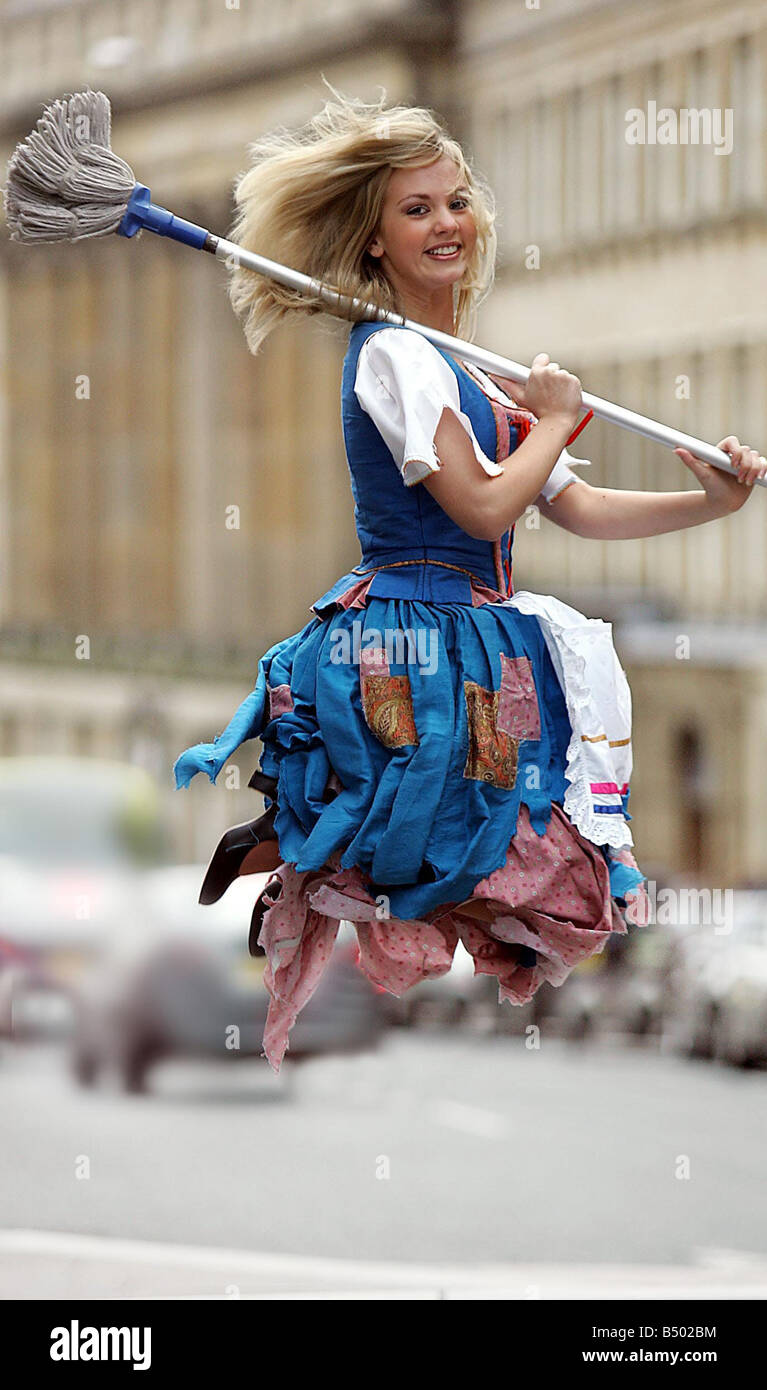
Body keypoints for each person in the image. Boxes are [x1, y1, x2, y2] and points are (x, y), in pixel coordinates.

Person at [173, 85, 766, 1071]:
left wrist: (712, 501)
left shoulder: (468, 369)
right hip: (411, 639)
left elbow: (571, 506)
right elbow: (485, 506)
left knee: (510, 858)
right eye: (415, 208)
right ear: (374, 241)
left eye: (455, 200)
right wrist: (547, 425)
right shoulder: (392, 359)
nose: (445, 222)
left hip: (484, 641)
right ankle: (299, 855)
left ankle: (304, 849)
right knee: (442, 828)